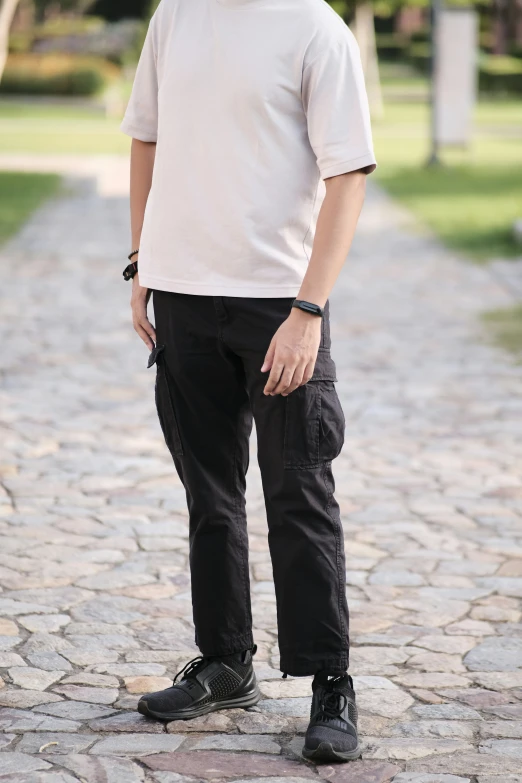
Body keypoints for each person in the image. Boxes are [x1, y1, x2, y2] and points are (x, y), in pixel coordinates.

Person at [121, 0, 376, 763]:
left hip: (278, 302)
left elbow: (349, 175)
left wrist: (308, 310)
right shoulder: (176, 16)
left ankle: (332, 682)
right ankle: (226, 660)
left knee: (298, 493)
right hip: (185, 298)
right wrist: (142, 263)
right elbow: (147, 136)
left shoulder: (316, 30)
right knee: (210, 495)